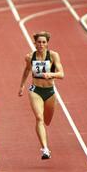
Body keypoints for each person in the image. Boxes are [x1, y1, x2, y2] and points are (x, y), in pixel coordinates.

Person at [19, 31, 64, 159]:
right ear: (35, 43)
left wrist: (52, 74)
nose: (41, 44)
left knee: (47, 121)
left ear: (47, 44)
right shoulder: (29, 57)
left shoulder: (54, 56)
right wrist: (22, 85)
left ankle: (45, 145)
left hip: (49, 92)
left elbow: (62, 74)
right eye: (39, 42)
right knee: (39, 118)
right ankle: (45, 149)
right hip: (35, 90)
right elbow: (27, 69)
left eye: (44, 42)